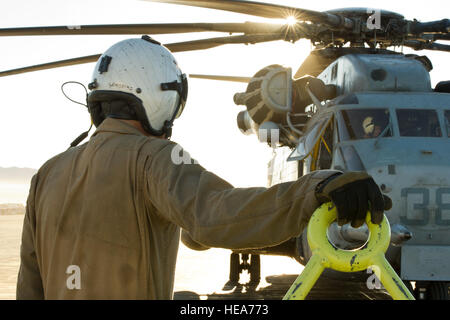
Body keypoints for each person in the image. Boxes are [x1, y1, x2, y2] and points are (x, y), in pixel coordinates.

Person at [17, 36, 390, 300]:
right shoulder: (154, 157)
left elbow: (30, 285)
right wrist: (318, 189)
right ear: (160, 96)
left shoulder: (46, 175)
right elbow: (216, 214)